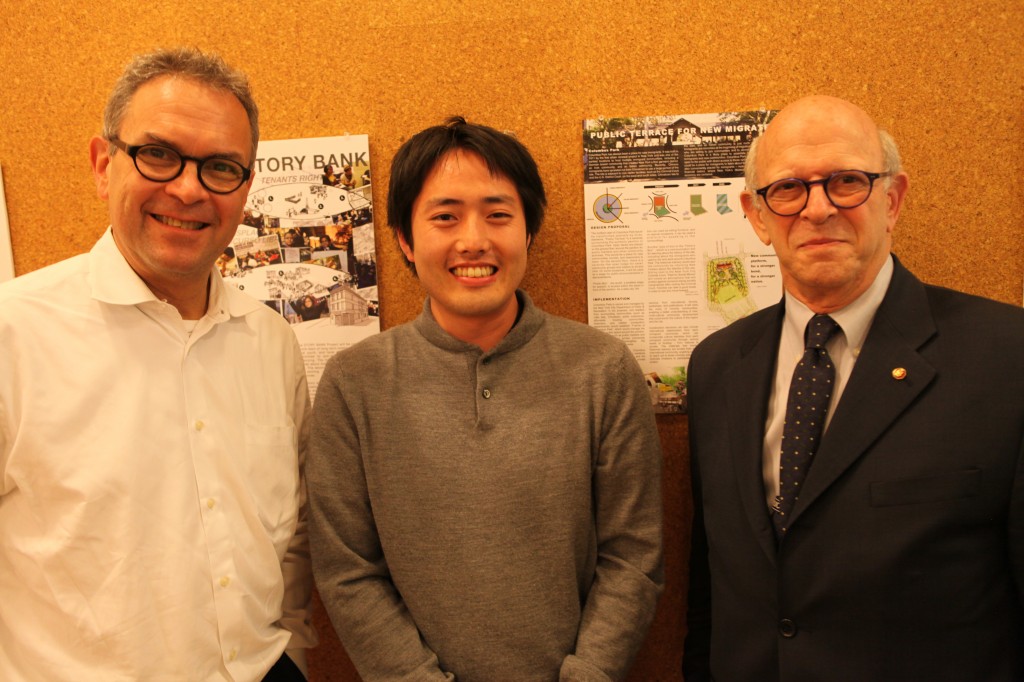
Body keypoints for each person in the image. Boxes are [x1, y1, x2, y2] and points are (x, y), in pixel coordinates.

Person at [308, 117, 664, 681]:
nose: (473, 240)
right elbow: (347, 570)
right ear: (405, 237)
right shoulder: (355, 384)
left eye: (498, 214)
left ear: (528, 232)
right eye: (445, 216)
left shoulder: (603, 368)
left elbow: (633, 558)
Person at [0, 48, 315, 681]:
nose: (189, 188)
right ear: (102, 163)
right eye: (159, 155)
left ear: (246, 189)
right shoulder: (15, 333)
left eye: (221, 167)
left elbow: (289, 545)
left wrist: (297, 660)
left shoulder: (271, 343)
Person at [684, 95, 1024, 681]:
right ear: (757, 215)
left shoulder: (1006, 355)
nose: (817, 210)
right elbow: (713, 582)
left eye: (846, 181)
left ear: (892, 200)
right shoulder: (717, 366)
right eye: (788, 189)